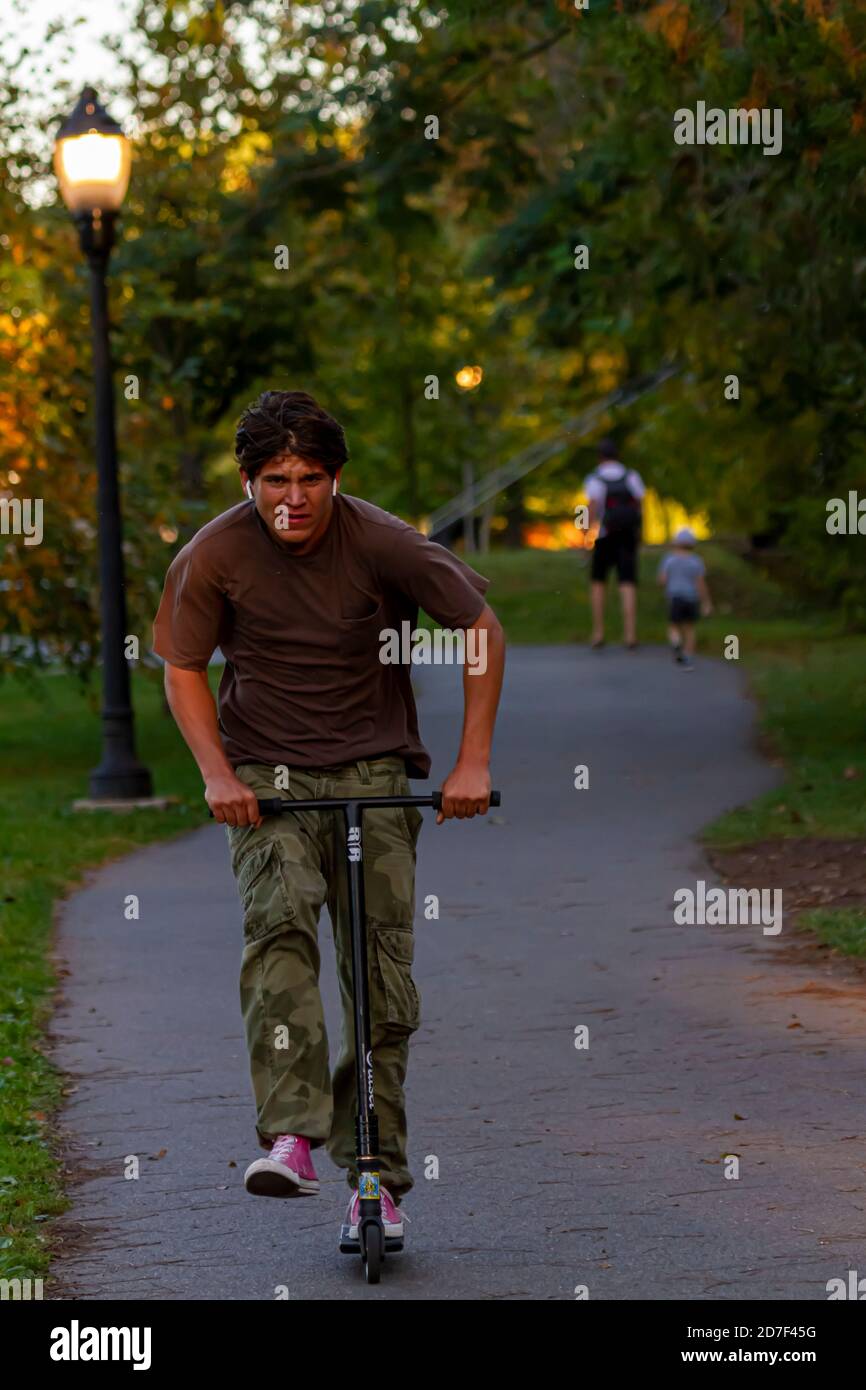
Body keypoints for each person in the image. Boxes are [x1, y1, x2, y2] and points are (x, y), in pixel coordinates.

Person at [151, 390, 505, 1246]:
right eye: (275, 479)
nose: (294, 497)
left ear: (336, 478)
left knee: (381, 973)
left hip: (377, 776)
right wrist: (215, 775)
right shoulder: (214, 555)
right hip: (266, 782)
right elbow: (182, 665)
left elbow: (480, 629)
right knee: (278, 934)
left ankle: (375, 1176)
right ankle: (291, 1136)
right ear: (248, 480)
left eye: (311, 478)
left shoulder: (384, 541)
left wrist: (471, 762)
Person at [584, 439, 645, 648]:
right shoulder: (632, 476)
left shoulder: (595, 478)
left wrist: (585, 534)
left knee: (598, 583)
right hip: (627, 536)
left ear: (599, 456)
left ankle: (599, 632)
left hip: (604, 535)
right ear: (617, 455)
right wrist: (640, 532)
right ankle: (630, 634)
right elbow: (640, 505)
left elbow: (592, 507)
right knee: (627, 583)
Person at [656, 526, 712, 670]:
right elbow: (700, 583)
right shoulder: (696, 561)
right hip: (691, 599)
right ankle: (688, 656)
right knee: (690, 628)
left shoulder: (669, 560)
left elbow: (662, 579)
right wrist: (706, 602)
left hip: (675, 598)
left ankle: (676, 643)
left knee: (673, 625)